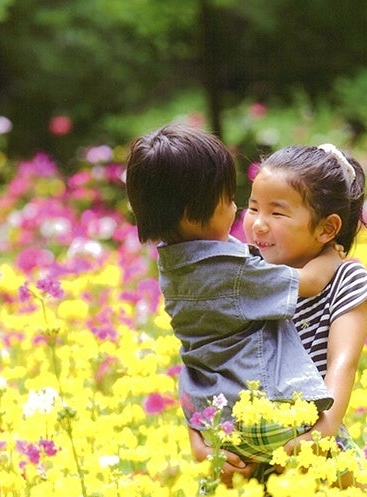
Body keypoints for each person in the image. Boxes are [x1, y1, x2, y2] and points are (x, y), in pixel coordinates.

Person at [125, 124, 343, 468]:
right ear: (194, 212)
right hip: (262, 413)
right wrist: (333, 251)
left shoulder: (173, 265)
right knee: (345, 462)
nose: (237, 208)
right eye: (228, 200)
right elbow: (312, 282)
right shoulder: (229, 271)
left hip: (214, 423)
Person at [188, 143, 367, 485]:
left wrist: (319, 436)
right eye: (252, 208)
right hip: (238, 462)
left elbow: (343, 366)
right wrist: (200, 441)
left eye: (277, 213)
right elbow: (203, 359)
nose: (258, 225)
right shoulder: (242, 274)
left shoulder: (346, 281)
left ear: (326, 229)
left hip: (311, 455)